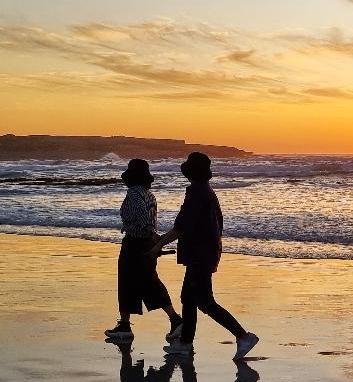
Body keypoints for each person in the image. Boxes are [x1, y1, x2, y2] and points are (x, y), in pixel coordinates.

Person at [148, 151, 259, 360]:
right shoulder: (206, 191)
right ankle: (185, 343)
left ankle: (243, 336)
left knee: (204, 301)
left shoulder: (197, 193)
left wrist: (157, 246)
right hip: (205, 253)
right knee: (188, 298)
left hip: (200, 255)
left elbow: (181, 227)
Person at [104, 158, 183, 342]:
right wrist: (153, 236)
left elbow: (140, 213)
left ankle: (172, 320)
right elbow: (145, 215)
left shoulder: (133, 193)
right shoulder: (149, 194)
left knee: (128, 282)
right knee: (149, 281)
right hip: (146, 242)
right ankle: (173, 319)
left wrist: (150, 231)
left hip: (135, 242)